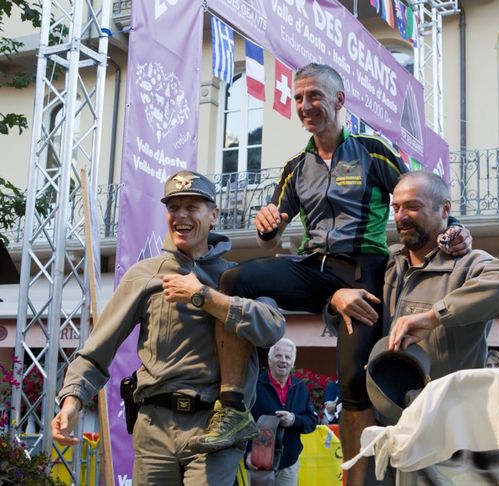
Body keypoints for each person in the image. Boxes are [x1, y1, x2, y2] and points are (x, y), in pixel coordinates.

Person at [194, 62, 472, 484]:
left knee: (352, 382)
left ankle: (358, 481)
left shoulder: (372, 151)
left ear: (339, 100)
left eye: (314, 96)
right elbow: (272, 236)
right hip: (313, 266)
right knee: (235, 281)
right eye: (299, 97)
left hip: (364, 268)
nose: (305, 105)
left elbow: (419, 199)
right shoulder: (294, 166)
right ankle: (233, 405)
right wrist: (267, 223)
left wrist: (456, 230)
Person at [51, 170, 285, 485]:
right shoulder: (143, 275)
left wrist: (206, 297)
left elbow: (272, 328)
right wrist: (72, 402)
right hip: (153, 429)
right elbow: (96, 352)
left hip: (216, 427)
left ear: (213, 215)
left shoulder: (240, 276)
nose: (181, 215)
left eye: (192, 206)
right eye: (174, 207)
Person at [327, 171, 499, 484]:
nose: (401, 217)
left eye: (412, 207)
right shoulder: (385, 264)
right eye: (395, 208)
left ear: (445, 210)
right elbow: (342, 320)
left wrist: (434, 316)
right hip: (384, 438)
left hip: (446, 442)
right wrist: (336, 300)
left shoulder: (467, 264)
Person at [246, 338, 318, 486]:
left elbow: (311, 422)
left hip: (289, 463)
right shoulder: (254, 386)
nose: (283, 360)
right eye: (278, 355)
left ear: (292, 362)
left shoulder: (300, 388)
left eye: (288, 357)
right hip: (259, 461)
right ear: (270, 359)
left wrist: (293, 420)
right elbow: (242, 423)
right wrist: (247, 453)